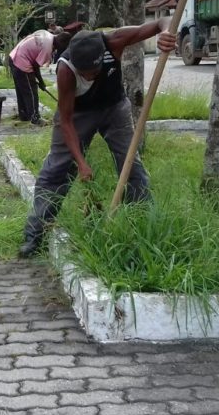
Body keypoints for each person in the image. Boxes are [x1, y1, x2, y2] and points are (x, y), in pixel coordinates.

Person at [19, 21, 177, 257]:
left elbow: (160, 23)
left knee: (131, 165)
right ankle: (35, 234)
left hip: (114, 108)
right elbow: (66, 121)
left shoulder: (114, 41)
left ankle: (144, 225)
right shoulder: (66, 70)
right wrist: (81, 163)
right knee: (56, 169)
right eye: (83, 72)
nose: (88, 76)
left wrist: (165, 34)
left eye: (92, 72)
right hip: (78, 114)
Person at [8, 30, 72, 124]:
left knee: (22, 91)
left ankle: (24, 116)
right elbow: (35, 66)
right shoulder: (47, 47)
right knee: (31, 91)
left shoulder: (47, 35)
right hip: (21, 62)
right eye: (64, 46)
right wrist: (41, 82)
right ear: (61, 42)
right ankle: (35, 118)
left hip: (13, 58)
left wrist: (39, 81)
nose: (62, 49)